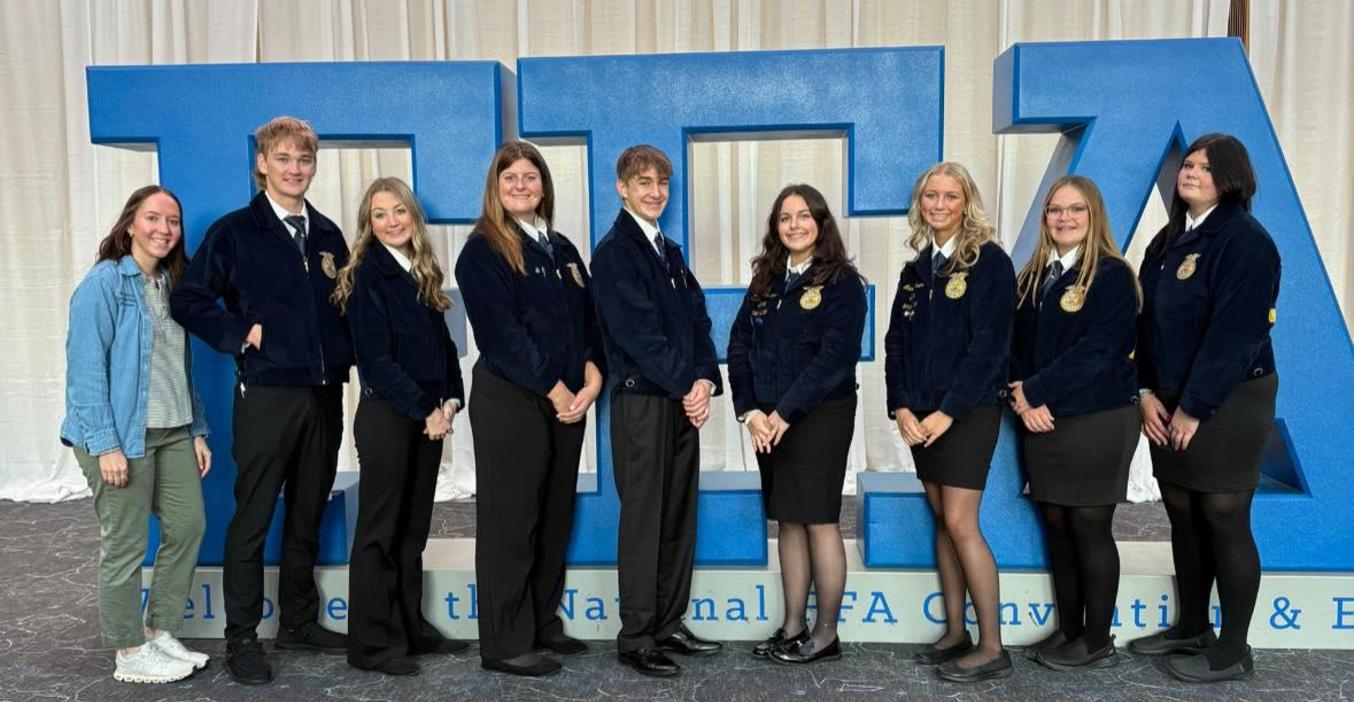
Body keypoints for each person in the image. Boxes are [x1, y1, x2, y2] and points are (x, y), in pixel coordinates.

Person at [170, 116, 354, 685]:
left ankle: (299, 620)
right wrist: (240, 334)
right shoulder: (234, 232)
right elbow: (190, 298)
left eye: (304, 160)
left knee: (306, 512)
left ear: (313, 166)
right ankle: (242, 636)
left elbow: (346, 308)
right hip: (268, 393)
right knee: (252, 518)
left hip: (323, 395)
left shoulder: (327, 234)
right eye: (283, 159)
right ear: (262, 164)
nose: (294, 169)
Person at [1129, 134, 1280, 683]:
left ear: (1231, 177)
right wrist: (1144, 392)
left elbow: (1234, 337)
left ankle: (1235, 648)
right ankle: (1192, 624)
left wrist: (1193, 408)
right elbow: (1142, 324)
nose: (1190, 172)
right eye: (1187, 164)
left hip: (1229, 401)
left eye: (1205, 167)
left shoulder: (1244, 240)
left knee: (1223, 515)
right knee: (1183, 512)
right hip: (1167, 400)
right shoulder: (1167, 240)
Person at [455, 141, 603, 677]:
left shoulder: (562, 248)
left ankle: (542, 623)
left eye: (530, 177)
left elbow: (588, 323)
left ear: (544, 185)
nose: (521, 185)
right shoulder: (482, 250)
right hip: (512, 401)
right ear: (495, 187)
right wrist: (557, 389)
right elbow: (503, 336)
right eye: (510, 177)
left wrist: (592, 371)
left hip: (566, 402)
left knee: (552, 516)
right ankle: (504, 642)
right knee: (510, 522)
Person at [61, 185, 213, 683]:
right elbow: (84, 372)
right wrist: (106, 443)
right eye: (152, 218)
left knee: (188, 527)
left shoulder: (172, 284)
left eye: (172, 220)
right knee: (126, 545)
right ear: (130, 224)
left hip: (172, 432)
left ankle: (158, 632)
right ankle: (129, 653)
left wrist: (195, 429)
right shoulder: (104, 284)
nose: (164, 229)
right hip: (120, 437)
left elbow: (178, 367)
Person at [591, 144, 723, 677]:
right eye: (643, 182)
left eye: (661, 183)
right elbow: (637, 335)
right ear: (622, 188)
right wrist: (685, 384)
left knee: (676, 515)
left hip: (677, 400)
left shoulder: (669, 250)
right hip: (643, 401)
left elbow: (697, 323)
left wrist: (704, 381)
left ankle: (669, 622)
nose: (654, 191)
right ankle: (637, 635)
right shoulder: (614, 252)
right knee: (645, 519)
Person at [884, 161, 1015, 682]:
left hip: (966, 413)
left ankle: (992, 646)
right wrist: (900, 407)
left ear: (968, 203)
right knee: (942, 520)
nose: (939, 205)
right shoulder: (916, 270)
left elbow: (989, 349)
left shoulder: (989, 263)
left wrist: (947, 411)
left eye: (950, 196)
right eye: (930, 196)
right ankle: (955, 632)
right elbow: (896, 345)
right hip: (921, 419)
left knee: (962, 522)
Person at [331, 177, 467, 676]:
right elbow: (378, 363)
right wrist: (426, 409)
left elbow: (445, 350)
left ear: (413, 217)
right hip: (389, 418)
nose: (391, 221)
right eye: (380, 214)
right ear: (369, 223)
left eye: (399, 212)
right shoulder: (367, 275)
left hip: (429, 417)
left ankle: (410, 629)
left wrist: (450, 400)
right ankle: (372, 644)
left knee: (412, 533)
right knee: (379, 532)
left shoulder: (422, 272)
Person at [727, 184, 866, 665]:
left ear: (821, 222)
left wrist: (784, 412)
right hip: (768, 421)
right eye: (784, 218)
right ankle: (792, 625)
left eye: (803, 216)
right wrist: (751, 411)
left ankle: (826, 634)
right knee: (788, 518)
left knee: (820, 519)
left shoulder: (842, 282)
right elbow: (738, 346)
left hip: (820, 416)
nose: (794, 225)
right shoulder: (766, 279)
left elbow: (834, 359)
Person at [1007, 175, 1141, 670]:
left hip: (1098, 418)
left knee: (1089, 524)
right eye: (1055, 209)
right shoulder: (1031, 275)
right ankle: (1068, 629)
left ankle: (1097, 638)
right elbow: (1012, 348)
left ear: (1094, 215)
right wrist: (1021, 397)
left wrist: (1035, 392)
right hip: (1041, 420)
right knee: (1057, 524)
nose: (1064, 218)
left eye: (1076, 209)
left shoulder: (1111, 275)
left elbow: (1098, 353)